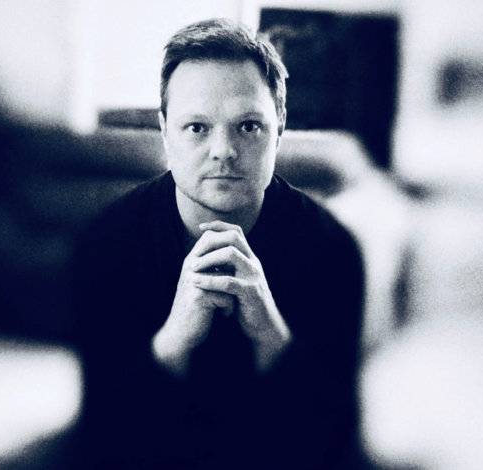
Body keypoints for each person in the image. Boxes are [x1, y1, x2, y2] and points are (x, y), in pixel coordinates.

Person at [66, 18, 366, 469]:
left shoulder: (333, 252)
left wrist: (270, 333)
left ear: (280, 127)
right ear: (164, 131)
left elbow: (334, 445)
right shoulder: (106, 246)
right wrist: (172, 342)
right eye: (197, 127)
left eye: (248, 126)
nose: (223, 149)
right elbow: (101, 442)